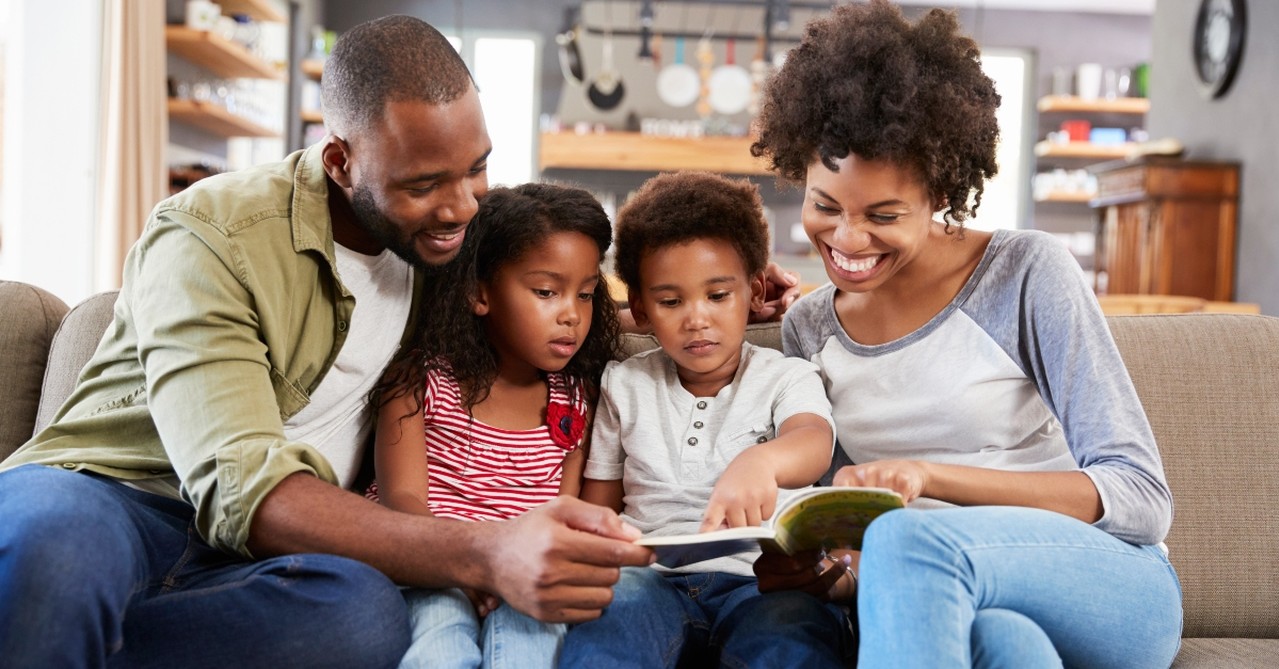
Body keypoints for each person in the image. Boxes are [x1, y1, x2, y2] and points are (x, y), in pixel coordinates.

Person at [0, 16, 653, 667]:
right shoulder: (211, 235)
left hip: (251, 566)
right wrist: (483, 550)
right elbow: (242, 488)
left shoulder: (448, 241)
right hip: (118, 500)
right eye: (423, 184)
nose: (460, 206)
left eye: (476, 168)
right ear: (340, 160)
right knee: (56, 541)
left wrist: (684, 307)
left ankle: (83, 633)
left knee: (363, 615)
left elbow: (541, 300)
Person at [748, 2, 1183, 667]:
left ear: (942, 192)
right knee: (1007, 649)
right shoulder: (809, 326)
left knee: (908, 539)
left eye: (884, 215)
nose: (847, 239)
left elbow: (1139, 496)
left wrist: (929, 478)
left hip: (1108, 586)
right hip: (950, 599)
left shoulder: (1025, 272)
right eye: (824, 206)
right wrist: (832, 570)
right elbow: (850, 526)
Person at [560, 172, 855, 669]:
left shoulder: (787, 375)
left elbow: (812, 440)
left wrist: (761, 462)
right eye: (671, 302)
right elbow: (601, 507)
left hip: (759, 580)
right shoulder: (623, 384)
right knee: (606, 635)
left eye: (718, 296)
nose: (697, 318)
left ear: (754, 291)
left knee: (789, 643)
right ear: (641, 308)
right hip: (647, 578)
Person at [368, 183, 619, 668]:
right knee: (440, 639)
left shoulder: (579, 398)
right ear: (479, 291)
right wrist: (466, 564)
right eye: (546, 292)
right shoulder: (419, 383)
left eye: (586, 294)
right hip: (431, 565)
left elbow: (564, 509)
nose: (571, 314)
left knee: (532, 643)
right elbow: (401, 503)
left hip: (527, 577)